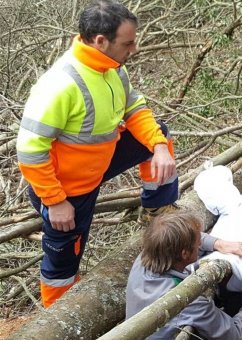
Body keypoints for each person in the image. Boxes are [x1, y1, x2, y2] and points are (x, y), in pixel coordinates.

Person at [16, 0, 178, 307]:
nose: (134, 49)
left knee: (159, 135)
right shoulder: (60, 85)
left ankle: (157, 210)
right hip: (67, 191)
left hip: (98, 163)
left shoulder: (113, 68)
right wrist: (55, 201)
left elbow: (135, 109)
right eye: (128, 43)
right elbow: (29, 152)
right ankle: (59, 322)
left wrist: (157, 146)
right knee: (63, 268)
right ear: (101, 41)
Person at [125, 211, 242, 339]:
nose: (201, 243)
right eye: (197, 244)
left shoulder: (149, 255)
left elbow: (193, 238)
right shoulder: (185, 301)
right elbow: (235, 335)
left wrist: (219, 244)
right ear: (185, 253)